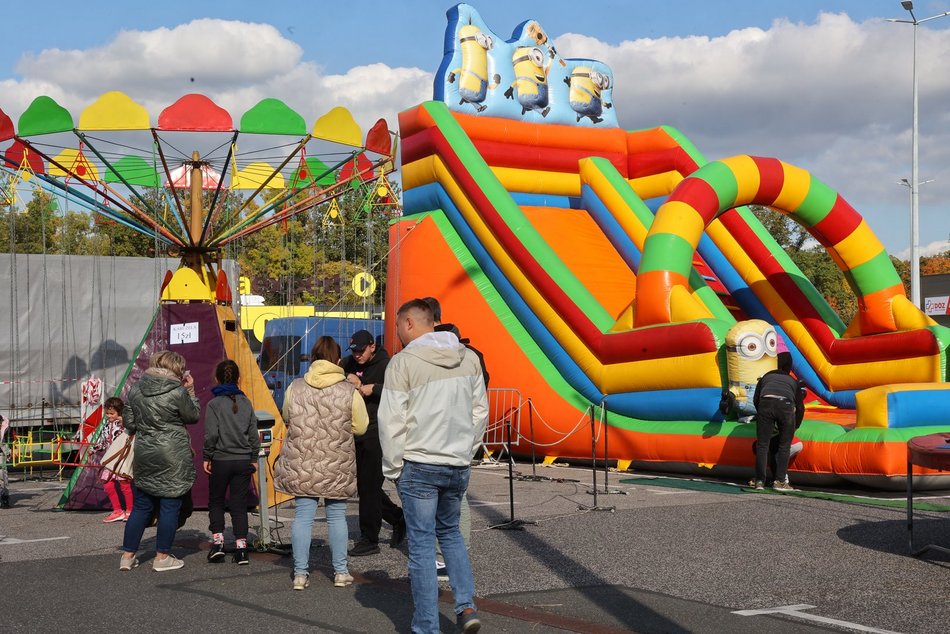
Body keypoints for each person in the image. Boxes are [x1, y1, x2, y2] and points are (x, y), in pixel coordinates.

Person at [378, 299, 489, 634]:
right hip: (456, 462)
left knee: (423, 547)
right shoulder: (468, 358)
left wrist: (393, 468)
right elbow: (479, 412)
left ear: (410, 323)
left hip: (419, 462)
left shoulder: (403, 362)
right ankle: (466, 606)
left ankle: (427, 625)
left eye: (398, 325)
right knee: (451, 534)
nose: (397, 333)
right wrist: (465, 451)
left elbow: (391, 419)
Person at [274, 336, 369, 590]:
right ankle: (340, 572)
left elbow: (287, 416)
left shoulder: (295, 387)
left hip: (303, 461)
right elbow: (361, 427)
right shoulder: (348, 390)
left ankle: (300, 574)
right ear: (337, 360)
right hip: (336, 461)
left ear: (313, 358)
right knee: (336, 516)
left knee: (303, 517)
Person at [421, 296, 489, 579]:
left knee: (448, 500)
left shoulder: (462, 357)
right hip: (452, 440)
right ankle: (452, 556)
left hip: (443, 440)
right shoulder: (471, 356)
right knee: (452, 499)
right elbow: (479, 406)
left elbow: (476, 405)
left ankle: (447, 557)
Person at [120, 351, 200, 572]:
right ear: (176, 369)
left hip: (145, 453)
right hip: (172, 454)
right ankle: (162, 556)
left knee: (142, 506)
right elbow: (192, 416)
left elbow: (129, 422)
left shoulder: (136, 389)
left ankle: (128, 556)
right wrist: (190, 391)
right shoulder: (177, 391)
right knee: (169, 505)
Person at [342, 329, 405, 556]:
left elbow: (401, 392)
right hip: (354, 432)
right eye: (354, 351)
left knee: (369, 486)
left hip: (377, 432)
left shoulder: (387, 365)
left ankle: (369, 538)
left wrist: (372, 388)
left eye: (361, 350)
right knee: (364, 486)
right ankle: (397, 517)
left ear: (372, 347)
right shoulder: (347, 362)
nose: (357, 355)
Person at [203, 360, 260, 565]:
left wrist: (207, 456)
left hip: (221, 459)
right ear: (238, 379)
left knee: (216, 501)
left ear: (217, 378)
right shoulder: (246, 402)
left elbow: (211, 435)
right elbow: (253, 433)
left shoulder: (214, 404)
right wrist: (254, 457)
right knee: (239, 504)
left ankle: (218, 544)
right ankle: (241, 549)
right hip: (243, 459)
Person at [751, 351, 806, 491]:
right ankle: (780, 481)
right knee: (784, 446)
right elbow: (800, 407)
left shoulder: (766, 377)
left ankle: (759, 481)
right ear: (788, 368)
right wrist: (795, 426)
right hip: (785, 406)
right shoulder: (792, 381)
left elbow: (755, 400)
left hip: (765, 404)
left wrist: (763, 414)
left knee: (762, 445)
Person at [96, 397, 134, 522]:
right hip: (110, 459)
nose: (109, 416)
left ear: (119, 412)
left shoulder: (124, 424)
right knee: (107, 484)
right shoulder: (106, 425)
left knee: (124, 484)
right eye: (107, 413)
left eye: (112, 413)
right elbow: (102, 441)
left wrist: (124, 421)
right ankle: (117, 510)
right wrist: (93, 450)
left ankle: (130, 510)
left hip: (121, 458)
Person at [1, 414, 10, 509]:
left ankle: (4, 497)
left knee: (3, 475)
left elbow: (5, 441)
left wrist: (8, 452)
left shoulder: (5, 424)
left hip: (1, 454)